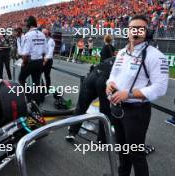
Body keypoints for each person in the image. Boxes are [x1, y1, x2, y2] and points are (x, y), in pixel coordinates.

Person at [106, 15, 169, 176]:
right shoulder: (121, 52)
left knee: (136, 155)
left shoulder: (156, 56)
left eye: (140, 28)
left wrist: (129, 94)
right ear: (127, 31)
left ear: (146, 32)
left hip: (137, 112)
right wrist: (109, 84)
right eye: (132, 27)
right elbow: (113, 75)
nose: (136, 31)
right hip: (117, 109)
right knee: (122, 151)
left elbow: (160, 88)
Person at [66, 57, 115, 144]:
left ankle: (72, 132)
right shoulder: (125, 61)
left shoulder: (111, 59)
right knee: (104, 112)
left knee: (81, 107)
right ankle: (102, 140)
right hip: (104, 80)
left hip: (92, 76)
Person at [19, 16, 48, 104]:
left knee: (21, 79)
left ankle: (30, 97)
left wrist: (24, 63)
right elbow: (44, 52)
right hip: (39, 62)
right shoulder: (42, 34)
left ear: (29, 24)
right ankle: (37, 102)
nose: (25, 26)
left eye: (26, 24)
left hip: (30, 61)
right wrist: (41, 62)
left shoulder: (27, 35)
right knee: (36, 83)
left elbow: (25, 53)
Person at [42, 28, 55, 94]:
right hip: (42, 59)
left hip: (48, 60)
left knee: (47, 75)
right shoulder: (43, 40)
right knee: (38, 74)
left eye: (42, 33)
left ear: (46, 34)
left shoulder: (51, 40)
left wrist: (45, 61)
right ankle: (42, 87)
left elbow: (50, 52)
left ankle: (47, 90)